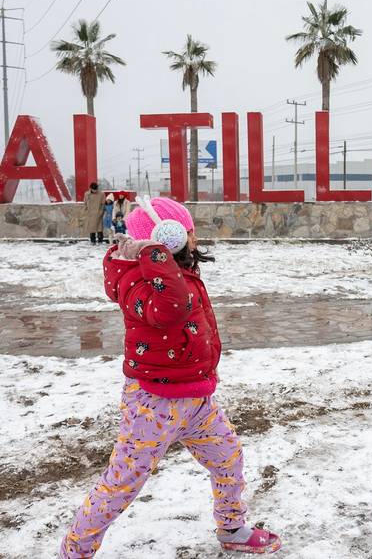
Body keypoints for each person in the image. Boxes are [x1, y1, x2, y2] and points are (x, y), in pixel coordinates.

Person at [58, 197, 281, 558]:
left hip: (196, 400)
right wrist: (154, 255)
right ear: (167, 239)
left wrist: (161, 259)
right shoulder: (135, 279)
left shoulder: (173, 273)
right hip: (154, 404)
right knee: (121, 486)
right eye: (187, 233)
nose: (194, 239)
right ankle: (75, 551)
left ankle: (232, 528)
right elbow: (169, 309)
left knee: (228, 458)